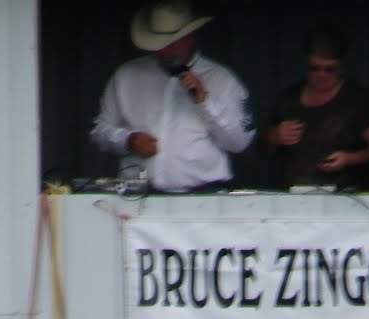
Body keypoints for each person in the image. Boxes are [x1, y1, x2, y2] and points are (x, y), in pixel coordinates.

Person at [90, 2, 254, 194]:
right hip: (139, 195)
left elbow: (238, 143)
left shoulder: (221, 80)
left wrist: (205, 102)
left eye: (173, 43)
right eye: (159, 45)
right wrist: (127, 140)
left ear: (190, 38)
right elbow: (99, 130)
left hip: (203, 196)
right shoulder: (127, 76)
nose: (165, 51)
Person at [257, 27, 369, 189]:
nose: (321, 74)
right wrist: (275, 136)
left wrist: (349, 158)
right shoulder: (288, 98)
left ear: (342, 67)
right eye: (314, 68)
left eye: (330, 69)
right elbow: (261, 149)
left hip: (344, 194)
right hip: (293, 193)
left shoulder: (361, 100)